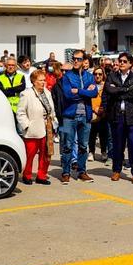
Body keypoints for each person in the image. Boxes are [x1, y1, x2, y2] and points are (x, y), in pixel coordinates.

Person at [104, 52, 133, 183]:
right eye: (120, 61)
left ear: (130, 64)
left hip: (131, 116)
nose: (121, 63)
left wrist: (119, 91)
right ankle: (116, 170)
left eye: (124, 61)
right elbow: (109, 90)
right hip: (117, 116)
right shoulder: (112, 76)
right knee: (118, 146)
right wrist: (126, 89)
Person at [58, 50, 97, 182]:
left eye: (79, 59)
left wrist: (79, 91)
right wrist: (86, 91)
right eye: (74, 58)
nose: (75, 61)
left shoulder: (89, 76)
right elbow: (68, 95)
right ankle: (66, 172)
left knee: (83, 146)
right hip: (70, 115)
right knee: (68, 145)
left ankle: (82, 171)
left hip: (85, 115)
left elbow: (94, 94)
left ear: (84, 61)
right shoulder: (67, 76)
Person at [16, 69, 57, 185]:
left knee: (46, 154)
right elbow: (20, 112)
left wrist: (54, 122)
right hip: (33, 129)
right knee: (30, 154)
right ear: (34, 81)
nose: (43, 82)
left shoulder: (47, 93)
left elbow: (52, 109)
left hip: (47, 127)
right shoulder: (26, 94)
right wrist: (26, 126)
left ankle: (41, 175)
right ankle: (27, 175)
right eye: (40, 80)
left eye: (44, 80)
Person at [88, 66, 109, 164]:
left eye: (100, 74)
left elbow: (108, 99)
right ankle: (91, 152)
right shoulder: (90, 86)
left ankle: (103, 151)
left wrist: (103, 109)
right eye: (96, 74)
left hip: (103, 113)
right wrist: (94, 108)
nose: (98, 76)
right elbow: (88, 99)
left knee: (103, 134)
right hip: (93, 113)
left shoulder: (106, 86)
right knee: (92, 134)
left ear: (103, 75)